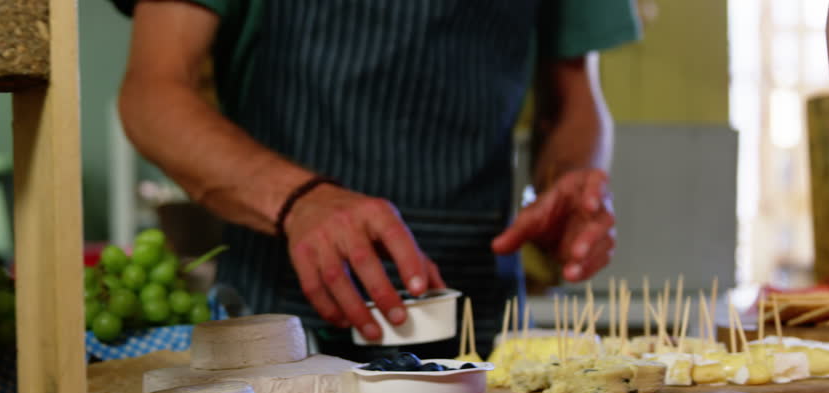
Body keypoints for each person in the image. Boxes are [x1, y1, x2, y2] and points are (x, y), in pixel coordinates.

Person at [111, 0, 639, 360]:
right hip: (283, 314)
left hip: (483, 322)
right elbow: (153, 94)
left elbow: (576, 101)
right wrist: (299, 201)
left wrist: (570, 180)